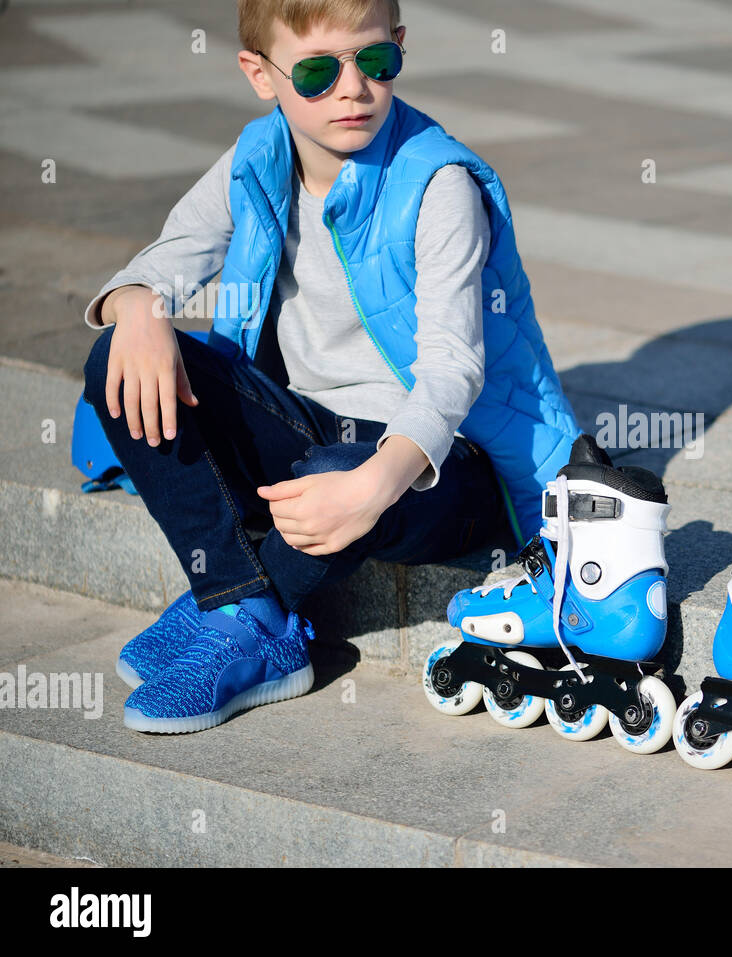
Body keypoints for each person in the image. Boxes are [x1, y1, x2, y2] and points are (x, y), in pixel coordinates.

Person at [80, 0, 579, 734]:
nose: (353, 88)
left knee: (337, 469)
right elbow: (171, 253)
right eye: (317, 71)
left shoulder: (438, 184)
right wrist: (139, 307)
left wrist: (373, 483)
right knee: (112, 357)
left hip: (438, 464)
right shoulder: (256, 157)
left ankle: (240, 615)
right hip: (307, 428)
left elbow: (452, 370)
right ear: (260, 74)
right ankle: (241, 602)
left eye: (374, 61)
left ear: (399, 49)